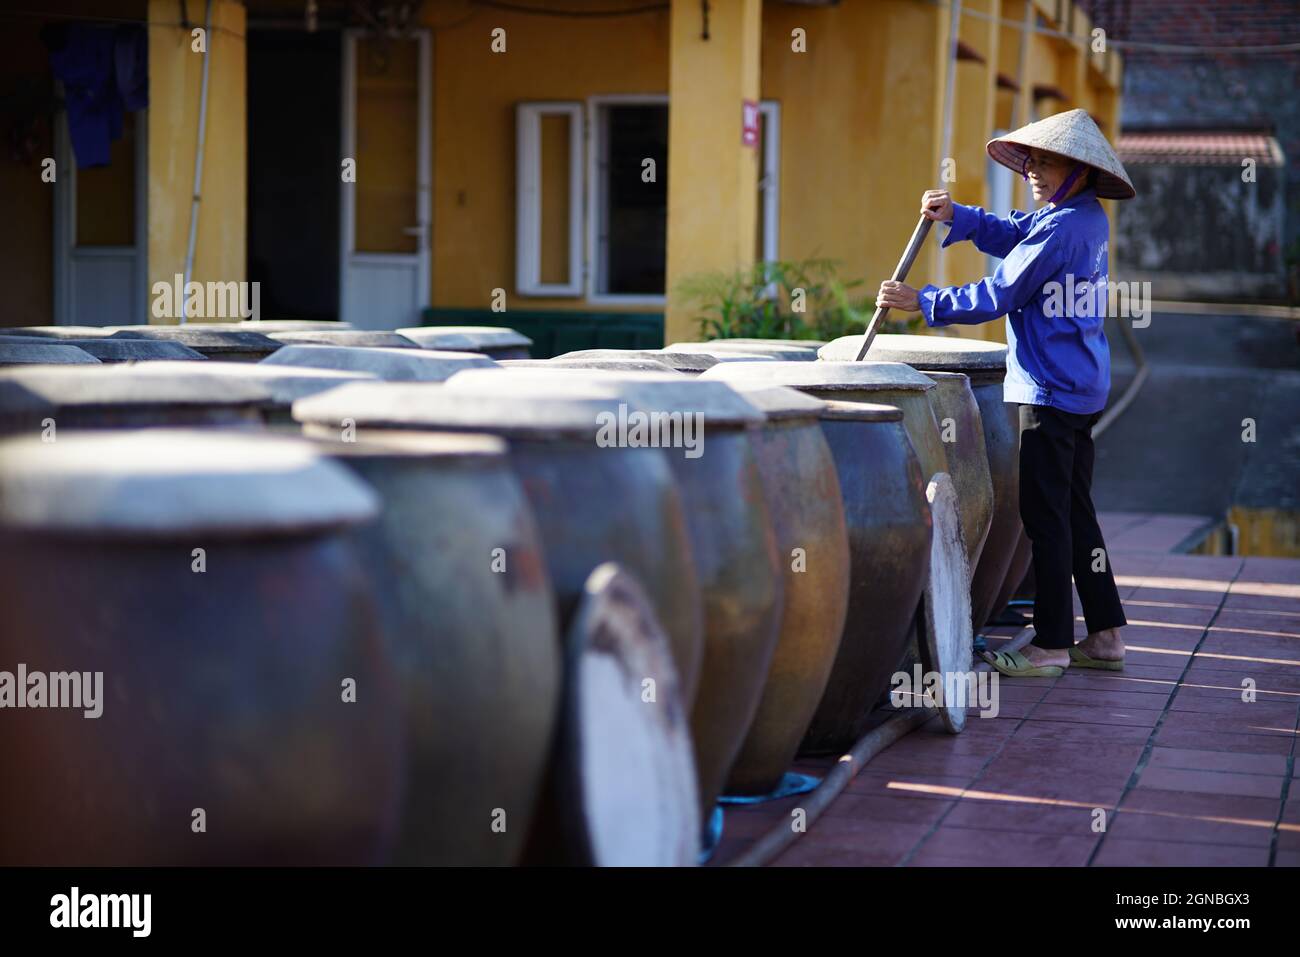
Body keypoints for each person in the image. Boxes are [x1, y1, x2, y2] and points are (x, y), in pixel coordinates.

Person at [875, 108, 1135, 678]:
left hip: (1048, 390)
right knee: (1075, 510)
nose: (1036, 171)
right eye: (1034, 161)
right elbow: (1017, 234)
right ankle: (1106, 634)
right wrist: (959, 216)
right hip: (1080, 384)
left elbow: (1002, 292)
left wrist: (923, 302)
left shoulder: (1062, 228)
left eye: (1050, 162)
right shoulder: (1082, 219)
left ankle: (1048, 645)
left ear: (1082, 171)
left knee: (1046, 519)